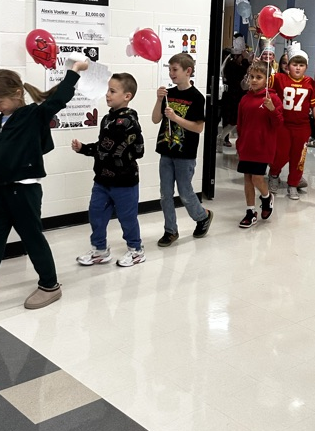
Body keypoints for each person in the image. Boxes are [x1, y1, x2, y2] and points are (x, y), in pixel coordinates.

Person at [0, 59, 88, 318]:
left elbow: (60, 98)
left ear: (17, 94)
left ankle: (50, 285)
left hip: (24, 191)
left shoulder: (33, 115)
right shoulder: (2, 119)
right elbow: (1, 154)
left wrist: (74, 72)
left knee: (32, 240)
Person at [73, 73, 146, 268]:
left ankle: (136, 250)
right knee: (96, 213)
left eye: (112, 91)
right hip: (102, 181)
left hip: (124, 182)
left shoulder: (130, 122)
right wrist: (84, 149)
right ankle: (99, 250)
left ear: (127, 96)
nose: (107, 95)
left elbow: (139, 150)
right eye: (107, 90)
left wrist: (121, 155)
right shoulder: (107, 119)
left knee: (127, 219)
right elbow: (102, 147)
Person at [152, 52, 213, 247]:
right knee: (165, 193)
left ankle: (202, 216)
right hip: (166, 151)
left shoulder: (196, 97)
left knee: (185, 192)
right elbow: (155, 119)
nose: (171, 74)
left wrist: (176, 118)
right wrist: (159, 100)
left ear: (188, 71)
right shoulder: (169, 94)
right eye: (169, 69)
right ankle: (170, 230)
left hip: (185, 154)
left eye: (175, 70)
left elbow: (198, 127)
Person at [268, 48, 315, 200]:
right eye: (294, 64)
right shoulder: (279, 78)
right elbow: (264, 78)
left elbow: (314, 102)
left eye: (301, 65)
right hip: (283, 124)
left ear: (306, 67)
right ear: (288, 66)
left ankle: (293, 184)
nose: (298, 68)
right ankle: (274, 174)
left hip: (302, 126)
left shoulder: (310, 82)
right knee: (281, 154)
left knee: (299, 157)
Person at [236, 61, 282, 227]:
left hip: (263, 146)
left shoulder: (273, 99)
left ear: (267, 79)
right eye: (252, 77)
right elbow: (240, 124)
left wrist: (271, 109)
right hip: (246, 145)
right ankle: (250, 211)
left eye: (259, 77)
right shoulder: (244, 99)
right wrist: (239, 144)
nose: (254, 80)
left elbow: (278, 123)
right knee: (247, 178)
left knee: (257, 178)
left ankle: (266, 196)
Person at [219, 36, 250, 149]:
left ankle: (223, 138)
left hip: (237, 96)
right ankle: (221, 138)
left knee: (235, 121)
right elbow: (242, 73)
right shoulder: (231, 65)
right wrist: (246, 60)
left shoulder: (233, 64)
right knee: (232, 121)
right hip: (232, 97)